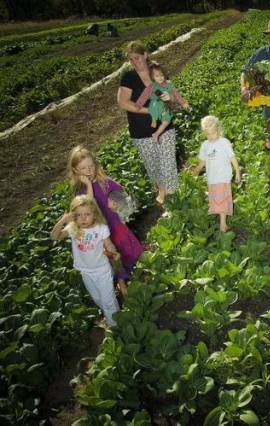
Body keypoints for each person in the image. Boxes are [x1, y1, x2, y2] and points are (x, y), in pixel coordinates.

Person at [68, 146, 143, 296]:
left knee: (128, 249)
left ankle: (140, 271)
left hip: (116, 225)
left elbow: (122, 193)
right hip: (100, 232)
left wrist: (116, 203)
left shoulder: (104, 181)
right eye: (83, 168)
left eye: (91, 166)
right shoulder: (80, 191)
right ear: (76, 171)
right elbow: (88, 205)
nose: (89, 170)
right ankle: (121, 282)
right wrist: (89, 185)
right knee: (112, 256)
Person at [118, 40, 179, 207]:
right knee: (154, 167)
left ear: (145, 55)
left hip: (165, 127)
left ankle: (173, 202)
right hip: (140, 131)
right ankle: (163, 192)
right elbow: (123, 102)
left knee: (168, 164)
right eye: (131, 59)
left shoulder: (157, 72)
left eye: (137, 58)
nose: (134, 62)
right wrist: (150, 111)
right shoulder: (129, 77)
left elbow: (172, 95)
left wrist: (170, 99)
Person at [50, 195, 120, 327]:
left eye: (87, 214)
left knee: (107, 300)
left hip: (102, 270)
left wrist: (114, 252)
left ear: (94, 214)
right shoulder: (72, 228)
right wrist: (63, 220)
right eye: (78, 215)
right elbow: (54, 236)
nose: (83, 218)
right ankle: (113, 316)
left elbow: (108, 244)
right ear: (73, 216)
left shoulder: (100, 228)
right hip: (85, 272)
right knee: (98, 298)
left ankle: (115, 325)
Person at [191, 116, 241, 233]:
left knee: (222, 200)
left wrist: (237, 172)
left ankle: (223, 225)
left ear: (218, 130)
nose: (211, 137)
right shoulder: (205, 145)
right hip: (212, 178)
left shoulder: (224, 143)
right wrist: (196, 171)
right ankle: (222, 221)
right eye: (208, 135)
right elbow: (202, 161)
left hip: (223, 177)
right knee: (216, 200)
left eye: (213, 134)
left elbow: (232, 158)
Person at [134, 62, 189, 142]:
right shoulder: (151, 87)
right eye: (157, 76)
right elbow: (143, 96)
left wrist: (183, 103)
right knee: (155, 105)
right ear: (152, 77)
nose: (160, 78)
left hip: (164, 108)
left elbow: (176, 95)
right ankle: (154, 119)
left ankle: (156, 134)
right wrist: (138, 105)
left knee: (167, 119)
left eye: (162, 75)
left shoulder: (168, 85)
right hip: (155, 106)